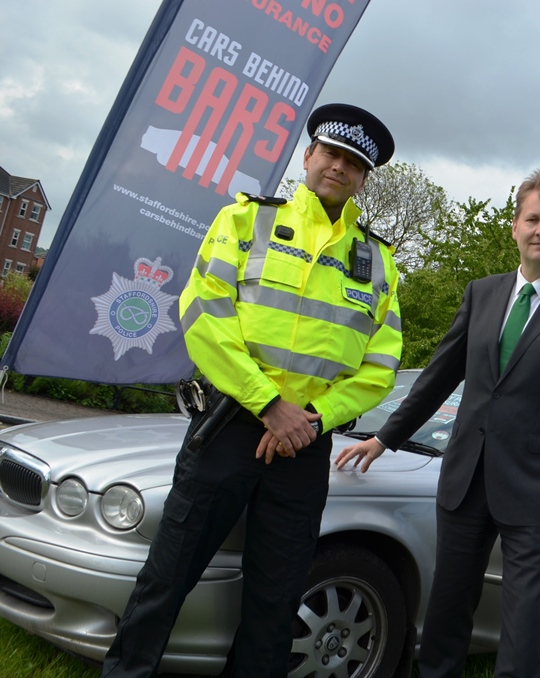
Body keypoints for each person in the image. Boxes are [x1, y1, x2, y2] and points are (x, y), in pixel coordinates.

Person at [102, 104, 402, 678]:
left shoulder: (379, 262)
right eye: (331, 154)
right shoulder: (245, 221)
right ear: (309, 156)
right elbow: (203, 315)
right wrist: (269, 405)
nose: (338, 167)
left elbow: (381, 364)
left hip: (303, 448)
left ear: (364, 178)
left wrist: (311, 418)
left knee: (275, 600)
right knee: (166, 579)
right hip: (228, 430)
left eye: (353, 163)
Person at [335, 170, 540, 678]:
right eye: (532, 218)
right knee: (447, 604)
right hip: (465, 480)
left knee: (522, 616)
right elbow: (438, 377)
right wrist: (383, 438)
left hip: (536, 490)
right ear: (515, 227)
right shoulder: (482, 293)